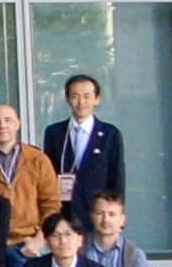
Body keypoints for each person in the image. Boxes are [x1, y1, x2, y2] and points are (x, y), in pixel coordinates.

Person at [0, 103, 62, 256]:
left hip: (28, 243)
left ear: (18, 124)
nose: (2, 125)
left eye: (8, 120)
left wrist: (39, 239)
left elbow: (51, 204)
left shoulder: (37, 159)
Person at [47, 76, 123, 229]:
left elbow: (117, 177)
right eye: (75, 96)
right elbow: (48, 176)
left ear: (97, 99)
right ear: (68, 99)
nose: (81, 102)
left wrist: (116, 218)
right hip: (65, 217)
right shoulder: (54, 132)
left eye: (87, 96)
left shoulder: (110, 134)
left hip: (98, 218)